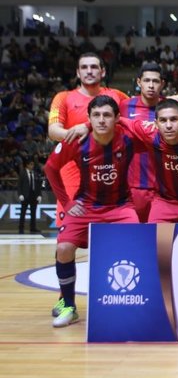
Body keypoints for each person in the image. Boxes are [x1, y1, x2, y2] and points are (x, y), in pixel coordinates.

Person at [44, 95, 139, 328]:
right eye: (95, 115)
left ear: (117, 118)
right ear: (88, 118)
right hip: (85, 206)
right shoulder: (76, 140)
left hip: (120, 207)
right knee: (64, 248)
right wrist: (66, 203)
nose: (101, 120)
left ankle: (132, 302)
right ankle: (68, 305)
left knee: (138, 243)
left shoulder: (128, 138)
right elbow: (50, 168)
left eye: (107, 115)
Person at [48, 52, 128, 228]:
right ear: (77, 72)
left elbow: (143, 110)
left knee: (113, 234)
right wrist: (79, 134)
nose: (89, 71)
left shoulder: (117, 96)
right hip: (72, 175)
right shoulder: (63, 98)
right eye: (84, 67)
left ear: (103, 72)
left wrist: (88, 126)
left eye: (94, 67)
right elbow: (53, 131)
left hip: (110, 172)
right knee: (67, 235)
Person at [118, 62, 165, 222]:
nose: (151, 85)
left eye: (155, 81)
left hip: (163, 188)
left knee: (160, 240)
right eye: (146, 81)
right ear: (139, 82)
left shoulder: (169, 109)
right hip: (133, 186)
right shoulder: (125, 106)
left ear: (162, 84)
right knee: (134, 238)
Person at [18, 159, 42, 234]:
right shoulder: (22, 173)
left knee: (33, 212)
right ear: (27, 165)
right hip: (25, 196)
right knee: (23, 213)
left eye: (33, 164)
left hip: (34, 195)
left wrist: (39, 195)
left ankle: (33, 227)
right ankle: (21, 228)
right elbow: (19, 185)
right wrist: (20, 194)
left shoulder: (35, 173)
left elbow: (38, 185)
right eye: (31, 164)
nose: (32, 166)